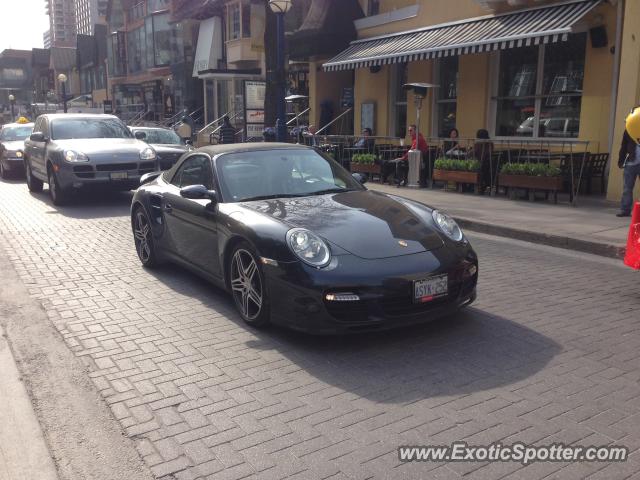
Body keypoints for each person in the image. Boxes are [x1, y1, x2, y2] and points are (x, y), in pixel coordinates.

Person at [617, 106, 640, 217]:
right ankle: (625, 210)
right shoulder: (629, 129)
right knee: (627, 188)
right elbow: (624, 145)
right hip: (631, 162)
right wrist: (621, 160)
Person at [474, 129, 494, 194]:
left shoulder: (479, 143)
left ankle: (477, 185)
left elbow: (475, 152)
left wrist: (468, 153)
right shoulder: (490, 143)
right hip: (488, 163)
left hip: (482, 162)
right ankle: (482, 185)